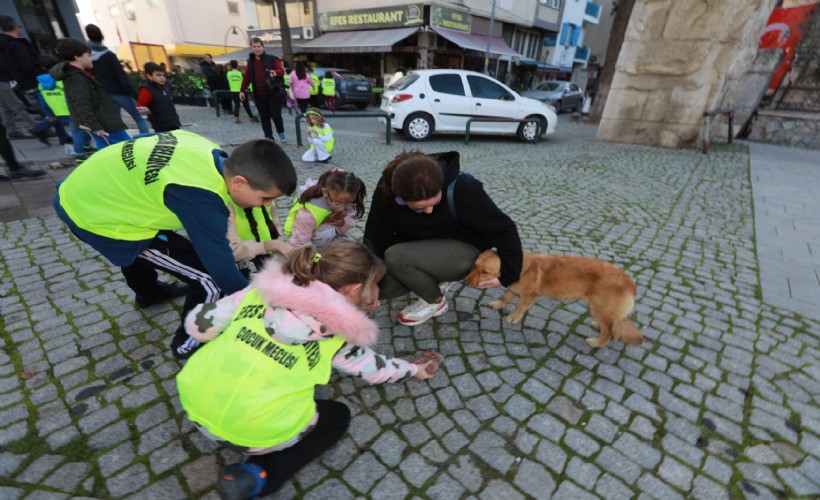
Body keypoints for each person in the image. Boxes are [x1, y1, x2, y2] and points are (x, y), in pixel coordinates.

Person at [176, 242, 439, 499]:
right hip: (255, 434)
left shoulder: (257, 292)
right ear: (355, 288)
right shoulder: (339, 336)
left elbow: (196, 327)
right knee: (337, 417)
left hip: (194, 405)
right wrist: (414, 369)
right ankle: (262, 475)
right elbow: (375, 370)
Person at [53, 130, 297, 358]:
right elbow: (220, 269)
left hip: (92, 189)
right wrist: (262, 307)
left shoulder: (207, 149)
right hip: (93, 214)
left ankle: (149, 294)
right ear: (239, 183)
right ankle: (188, 343)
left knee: (143, 252)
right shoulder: (202, 199)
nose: (266, 205)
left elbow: (151, 139)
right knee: (206, 280)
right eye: (266, 198)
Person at [363, 150, 523, 326]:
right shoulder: (387, 189)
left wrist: (507, 276)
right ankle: (432, 274)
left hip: (464, 249)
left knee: (396, 257)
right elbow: (376, 233)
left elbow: (504, 229)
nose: (429, 211)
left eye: (434, 203)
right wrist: (370, 279)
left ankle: (435, 301)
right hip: (419, 247)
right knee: (379, 289)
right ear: (400, 197)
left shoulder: (464, 188)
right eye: (419, 208)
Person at [52, 38, 131, 149]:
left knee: (107, 149)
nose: (91, 59)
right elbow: (81, 104)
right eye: (88, 55)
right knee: (128, 147)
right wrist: (95, 126)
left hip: (100, 121)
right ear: (77, 57)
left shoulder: (79, 74)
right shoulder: (76, 77)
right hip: (102, 123)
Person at [84, 24, 149, 135]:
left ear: (88, 37)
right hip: (120, 92)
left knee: (116, 123)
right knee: (140, 118)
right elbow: (121, 77)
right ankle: (146, 140)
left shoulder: (87, 58)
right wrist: (135, 95)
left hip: (104, 94)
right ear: (101, 36)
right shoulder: (109, 55)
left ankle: (121, 145)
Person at [283, 168, 364, 249]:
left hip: (327, 236)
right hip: (305, 239)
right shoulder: (308, 212)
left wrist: (342, 224)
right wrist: (314, 259)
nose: (342, 208)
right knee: (327, 234)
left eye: (348, 204)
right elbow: (299, 243)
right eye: (337, 203)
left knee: (352, 247)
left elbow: (343, 229)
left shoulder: (344, 199)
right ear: (325, 193)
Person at [33, 54, 94, 161]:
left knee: (82, 129)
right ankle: (79, 154)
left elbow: (43, 101)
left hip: (59, 111)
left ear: (43, 68)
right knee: (77, 131)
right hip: (72, 109)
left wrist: (49, 114)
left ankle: (87, 146)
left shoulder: (41, 83)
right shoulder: (62, 79)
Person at [227, 196, 293, 278]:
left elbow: (277, 229)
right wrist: (272, 245)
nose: (269, 203)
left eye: (273, 198)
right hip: (242, 267)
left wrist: (280, 248)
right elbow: (231, 253)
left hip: (268, 259)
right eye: (265, 198)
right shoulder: (226, 205)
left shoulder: (269, 204)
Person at [239, 38, 287, 143]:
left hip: (274, 93)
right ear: (251, 48)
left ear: (263, 47)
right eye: (254, 47)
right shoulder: (250, 62)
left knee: (275, 115)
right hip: (259, 94)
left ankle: (281, 132)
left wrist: (275, 72)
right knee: (264, 117)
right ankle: (269, 137)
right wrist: (242, 90)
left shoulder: (272, 58)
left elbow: (281, 71)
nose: (257, 49)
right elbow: (247, 77)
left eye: (258, 46)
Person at [0, 15, 40, 140]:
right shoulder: (11, 44)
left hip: (4, 77)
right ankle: (38, 128)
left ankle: (12, 131)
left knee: (5, 106)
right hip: (3, 78)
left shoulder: (4, 43)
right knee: (17, 104)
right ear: (15, 27)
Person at [136, 62, 181, 133]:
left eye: (163, 75)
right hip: (161, 126)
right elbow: (140, 105)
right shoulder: (147, 89)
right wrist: (144, 110)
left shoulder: (164, 88)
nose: (162, 78)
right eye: (158, 75)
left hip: (173, 123)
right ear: (149, 76)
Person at [226, 60, 257, 124]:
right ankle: (251, 117)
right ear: (237, 65)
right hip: (241, 91)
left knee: (236, 105)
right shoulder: (240, 73)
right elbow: (244, 81)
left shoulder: (228, 73)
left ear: (231, 66)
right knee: (246, 105)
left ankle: (236, 118)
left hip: (233, 91)